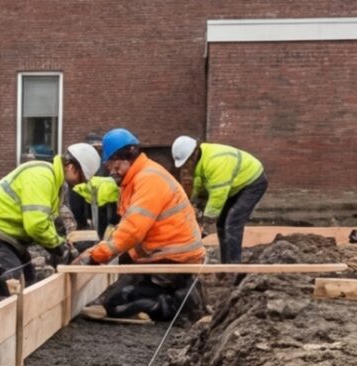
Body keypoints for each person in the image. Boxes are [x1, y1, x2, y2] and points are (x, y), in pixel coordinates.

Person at [80, 128, 207, 322]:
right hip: (162, 255)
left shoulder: (148, 179)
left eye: (113, 165)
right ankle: (172, 294)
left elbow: (132, 230)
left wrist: (96, 256)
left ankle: (181, 303)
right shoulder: (136, 178)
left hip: (173, 260)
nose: (112, 171)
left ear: (125, 158)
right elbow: (127, 225)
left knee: (114, 303)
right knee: (115, 292)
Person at [0, 140, 97, 297]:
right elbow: (36, 225)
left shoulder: (54, 181)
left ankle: (18, 315)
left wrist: (59, 245)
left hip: (6, 236)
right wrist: (59, 248)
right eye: (81, 178)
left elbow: (47, 221)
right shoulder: (42, 176)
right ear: (72, 167)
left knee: (28, 279)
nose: (79, 184)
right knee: (13, 280)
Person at [171, 135, 268, 264]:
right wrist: (193, 202)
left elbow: (218, 194)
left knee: (232, 223)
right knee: (221, 224)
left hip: (252, 182)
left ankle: (234, 267)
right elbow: (200, 183)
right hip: (235, 185)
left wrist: (207, 221)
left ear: (194, 153)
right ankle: (225, 265)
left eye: (187, 162)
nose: (186, 167)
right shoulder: (201, 159)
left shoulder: (215, 162)